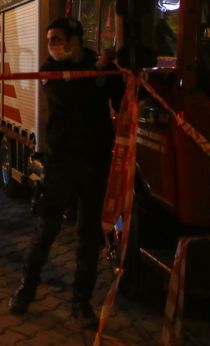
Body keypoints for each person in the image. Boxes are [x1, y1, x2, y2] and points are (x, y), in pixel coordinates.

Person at [8, 17, 124, 330]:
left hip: (95, 163)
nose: (53, 45)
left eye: (58, 39)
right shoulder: (49, 70)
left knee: (89, 238)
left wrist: (116, 70)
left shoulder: (97, 67)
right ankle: (26, 289)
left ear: (75, 40)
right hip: (60, 164)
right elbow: (70, 99)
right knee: (45, 231)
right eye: (49, 40)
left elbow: (121, 99)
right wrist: (97, 74)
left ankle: (81, 303)